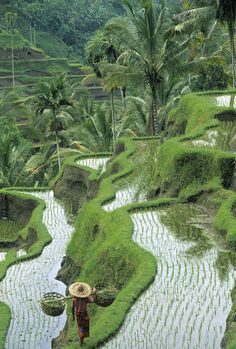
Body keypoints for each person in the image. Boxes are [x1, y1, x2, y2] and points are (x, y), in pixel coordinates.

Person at [69, 282, 96, 347]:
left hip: (78, 315)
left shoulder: (74, 299)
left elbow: (72, 307)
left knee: (81, 328)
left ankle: (81, 341)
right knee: (83, 329)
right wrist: (94, 293)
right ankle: (81, 342)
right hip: (84, 315)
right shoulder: (86, 298)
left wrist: (73, 316)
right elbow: (93, 300)